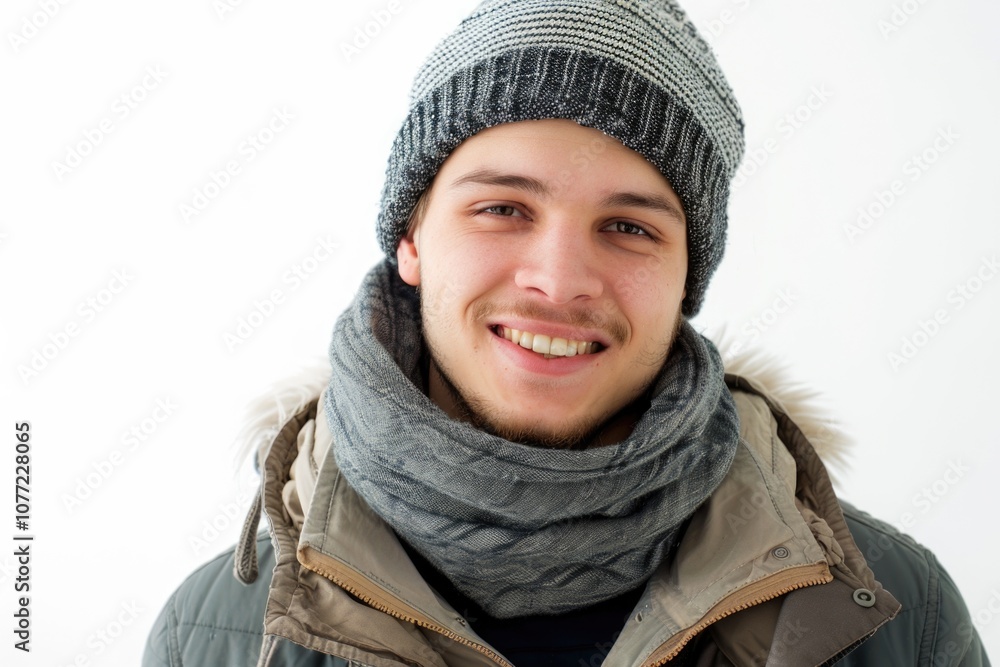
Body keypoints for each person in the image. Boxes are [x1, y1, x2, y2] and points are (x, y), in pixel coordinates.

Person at [143, 1, 989, 665]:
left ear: (685, 281)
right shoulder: (216, 632)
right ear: (410, 238)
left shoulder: (887, 616)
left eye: (628, 227)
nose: (557, 279)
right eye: (503, 208)